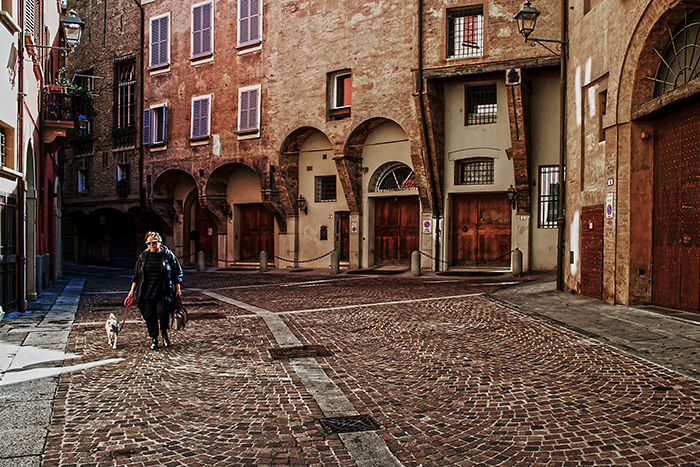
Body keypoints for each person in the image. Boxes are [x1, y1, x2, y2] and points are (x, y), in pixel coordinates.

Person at [126, 231, 183, 350]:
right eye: (149, 243)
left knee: (163, 313)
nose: (151, 245)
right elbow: (136, 275)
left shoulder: (168, 255)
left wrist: (178, 288)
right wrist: (131, 291)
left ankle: (164, 334)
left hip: (163, 291)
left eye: (154, 242)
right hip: (147, 292)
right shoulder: (143, 257)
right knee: (149, 316)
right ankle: (154, 338)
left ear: (159, 242)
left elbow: (177, 272)